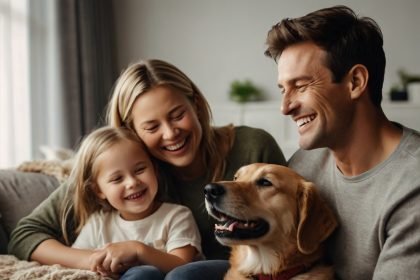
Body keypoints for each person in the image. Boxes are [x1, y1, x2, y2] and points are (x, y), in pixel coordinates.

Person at [8, 59, 287, 279]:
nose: (170, 134)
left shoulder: (252, 148)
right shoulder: (131, 171)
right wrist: (91, 260)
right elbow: (25, 235)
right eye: (152, 127)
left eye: (178, 115)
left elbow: (296, 223)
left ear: (197, 104)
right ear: (131, 132)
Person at [265, 5, 420, 280]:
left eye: (300, 86)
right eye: (282, 89)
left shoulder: (412, 185)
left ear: (356, 82)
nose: (285, 107)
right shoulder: (305, 166)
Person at [65, 126, 201, 279]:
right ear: (98, 191)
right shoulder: (98, 224)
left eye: (140, 169)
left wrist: (138, 250)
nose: (132, 183)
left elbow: (183, 267)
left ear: (154, 169)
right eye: (117, 179)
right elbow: (79, 264)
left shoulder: (176, 216)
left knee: (145, 273)